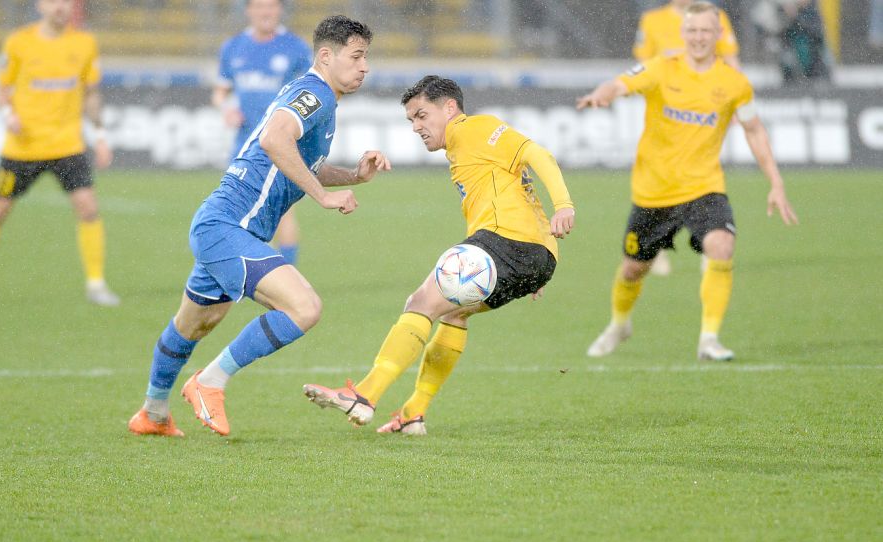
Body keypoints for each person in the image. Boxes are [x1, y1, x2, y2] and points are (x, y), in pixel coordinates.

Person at [128, 16, 390, 438]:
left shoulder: (319, 97)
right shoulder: (314, 93)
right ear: (326, 56)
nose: (364, 67)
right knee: (304, 308)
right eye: (357, 56)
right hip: (228, 227)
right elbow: (273, 140)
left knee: (194, 324)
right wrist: (322, 198)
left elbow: (300, 165)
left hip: (223, 227)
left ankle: (152, 414)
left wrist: (355, 176)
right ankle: (210, 381)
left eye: (366, 58)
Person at [302, 75, 576, 435]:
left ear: (449, 107)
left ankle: (364, 396)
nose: (416, 126)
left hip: (507, 243)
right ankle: (414, 413)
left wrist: (564, 205)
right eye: (411, 120)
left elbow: (537, 153)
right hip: (533, 257)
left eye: (421, 115)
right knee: (455, 314)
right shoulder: (462, 152)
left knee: (420, 304)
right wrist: (534, 264)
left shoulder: (475, 129)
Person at [579, 1, 798, 362]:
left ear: (718, 34)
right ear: (683, 33)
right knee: (634, 268)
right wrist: (603, 94)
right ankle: (620, 324)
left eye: (705, 31)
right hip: (653, 191)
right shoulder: (662, 68)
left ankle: (708, 339)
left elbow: (755, 131)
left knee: (722, 246)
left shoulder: (734, 84)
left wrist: (776, 182)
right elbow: (620, 83)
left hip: (703, 188)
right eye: (692, 30)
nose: (698, 37)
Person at [0, 0, 117, 307]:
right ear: (40, 6)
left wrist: (101, 135)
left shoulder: (84, 43)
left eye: (67, 2)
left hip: (68, 145)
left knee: (88, 209)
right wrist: (8, 114)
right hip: (22, 148)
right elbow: (2, 89)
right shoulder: (19, 42)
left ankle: (96, 284)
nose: (61, 7)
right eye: (54, 1)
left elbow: (91, 93)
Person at [633, 0, 741, 277]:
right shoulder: (652, 20)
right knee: (661, 178)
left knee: (704, 174)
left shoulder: (717, 17)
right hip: (667, 117)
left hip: (707, 111)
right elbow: (644, 67)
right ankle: (653, 248)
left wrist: (737, 101)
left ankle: (710, 243)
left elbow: (730, 61)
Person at [213, 0, 313, 266]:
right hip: (245, 145)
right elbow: (221, 91)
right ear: (249, 10)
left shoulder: (295, 47)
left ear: (280, 10)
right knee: (238, 212)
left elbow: (310, 92)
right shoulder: (233, 47)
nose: (265, 12)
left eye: (271, 6)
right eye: (259, 6)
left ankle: (286, 273)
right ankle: (259, 270)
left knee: (282, 213)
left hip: (283, 143)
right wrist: (226, 109)